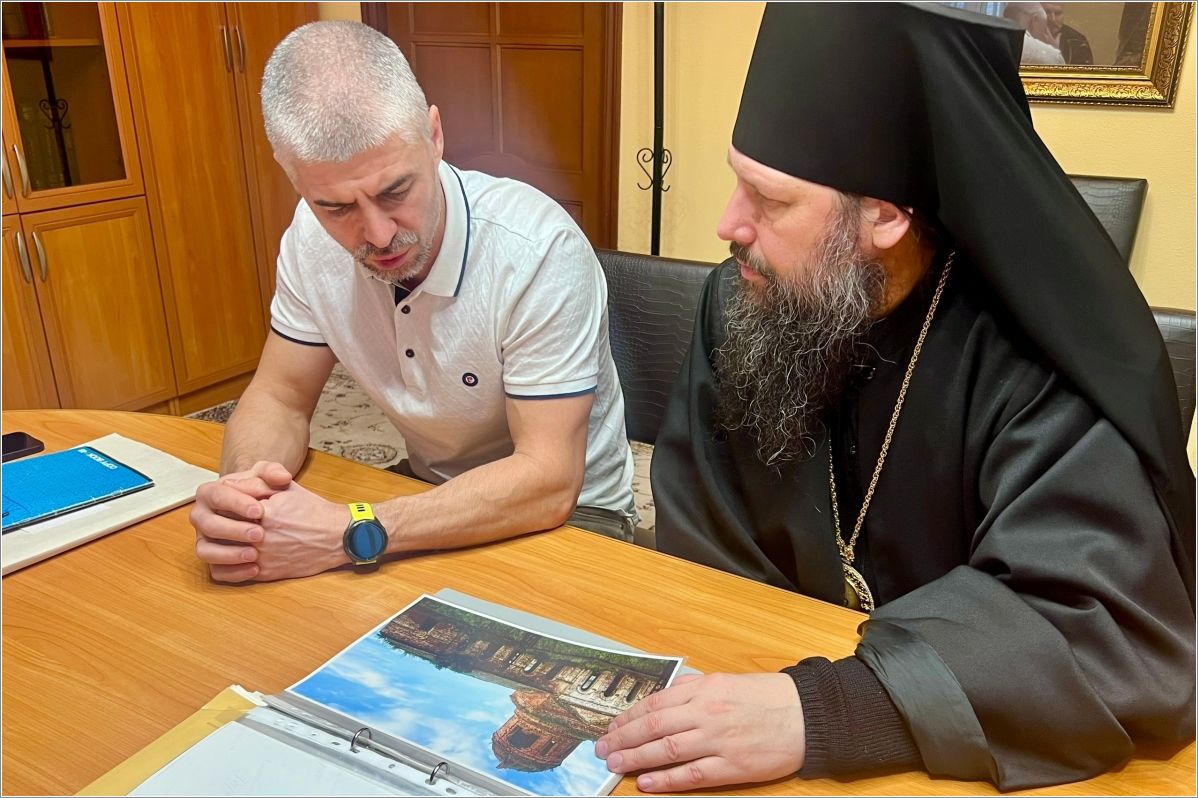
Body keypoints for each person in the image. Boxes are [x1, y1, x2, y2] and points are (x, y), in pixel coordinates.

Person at [595, 3, 1195, 792]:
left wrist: (831, 710)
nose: (727, 223)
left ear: (882, 216)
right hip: (750, 710)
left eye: (768, 200)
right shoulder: (742, 304)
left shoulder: (1044, 363)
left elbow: (1104, 634)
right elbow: (702, 540)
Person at [189, 21, 637, 583]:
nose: (378, 235)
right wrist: (247, 500)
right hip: (427, 491)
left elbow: (547, 480)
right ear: (292, 176)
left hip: (575, 515)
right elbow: (280, 397)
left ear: (434, 135)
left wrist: (350, 530)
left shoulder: (537, 250)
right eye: (337, 208)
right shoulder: (308, 238)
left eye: (395, 191)